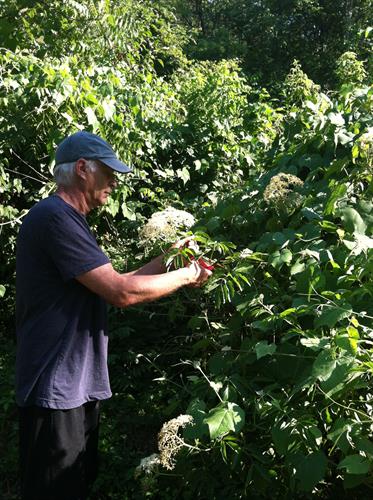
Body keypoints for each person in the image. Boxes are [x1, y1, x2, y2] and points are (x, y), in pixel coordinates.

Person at [15, 131, 212, 500]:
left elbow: (116, 282)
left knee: (75, 484)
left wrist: (171, 258)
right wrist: (188, 275)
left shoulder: (67, 219)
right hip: (55, 391)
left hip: (73, 388)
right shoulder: (56, 217)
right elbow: (121, 293)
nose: (115, 182)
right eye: (109, 172)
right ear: (82, 169)